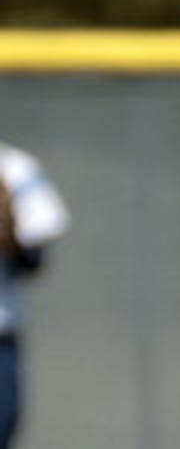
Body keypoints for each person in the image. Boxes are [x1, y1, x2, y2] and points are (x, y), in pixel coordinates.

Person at [0, 142, 69, 449]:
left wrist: (10, 231)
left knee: (4, 424)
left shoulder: (13, 166)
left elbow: (34, 262)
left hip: (2, 333)